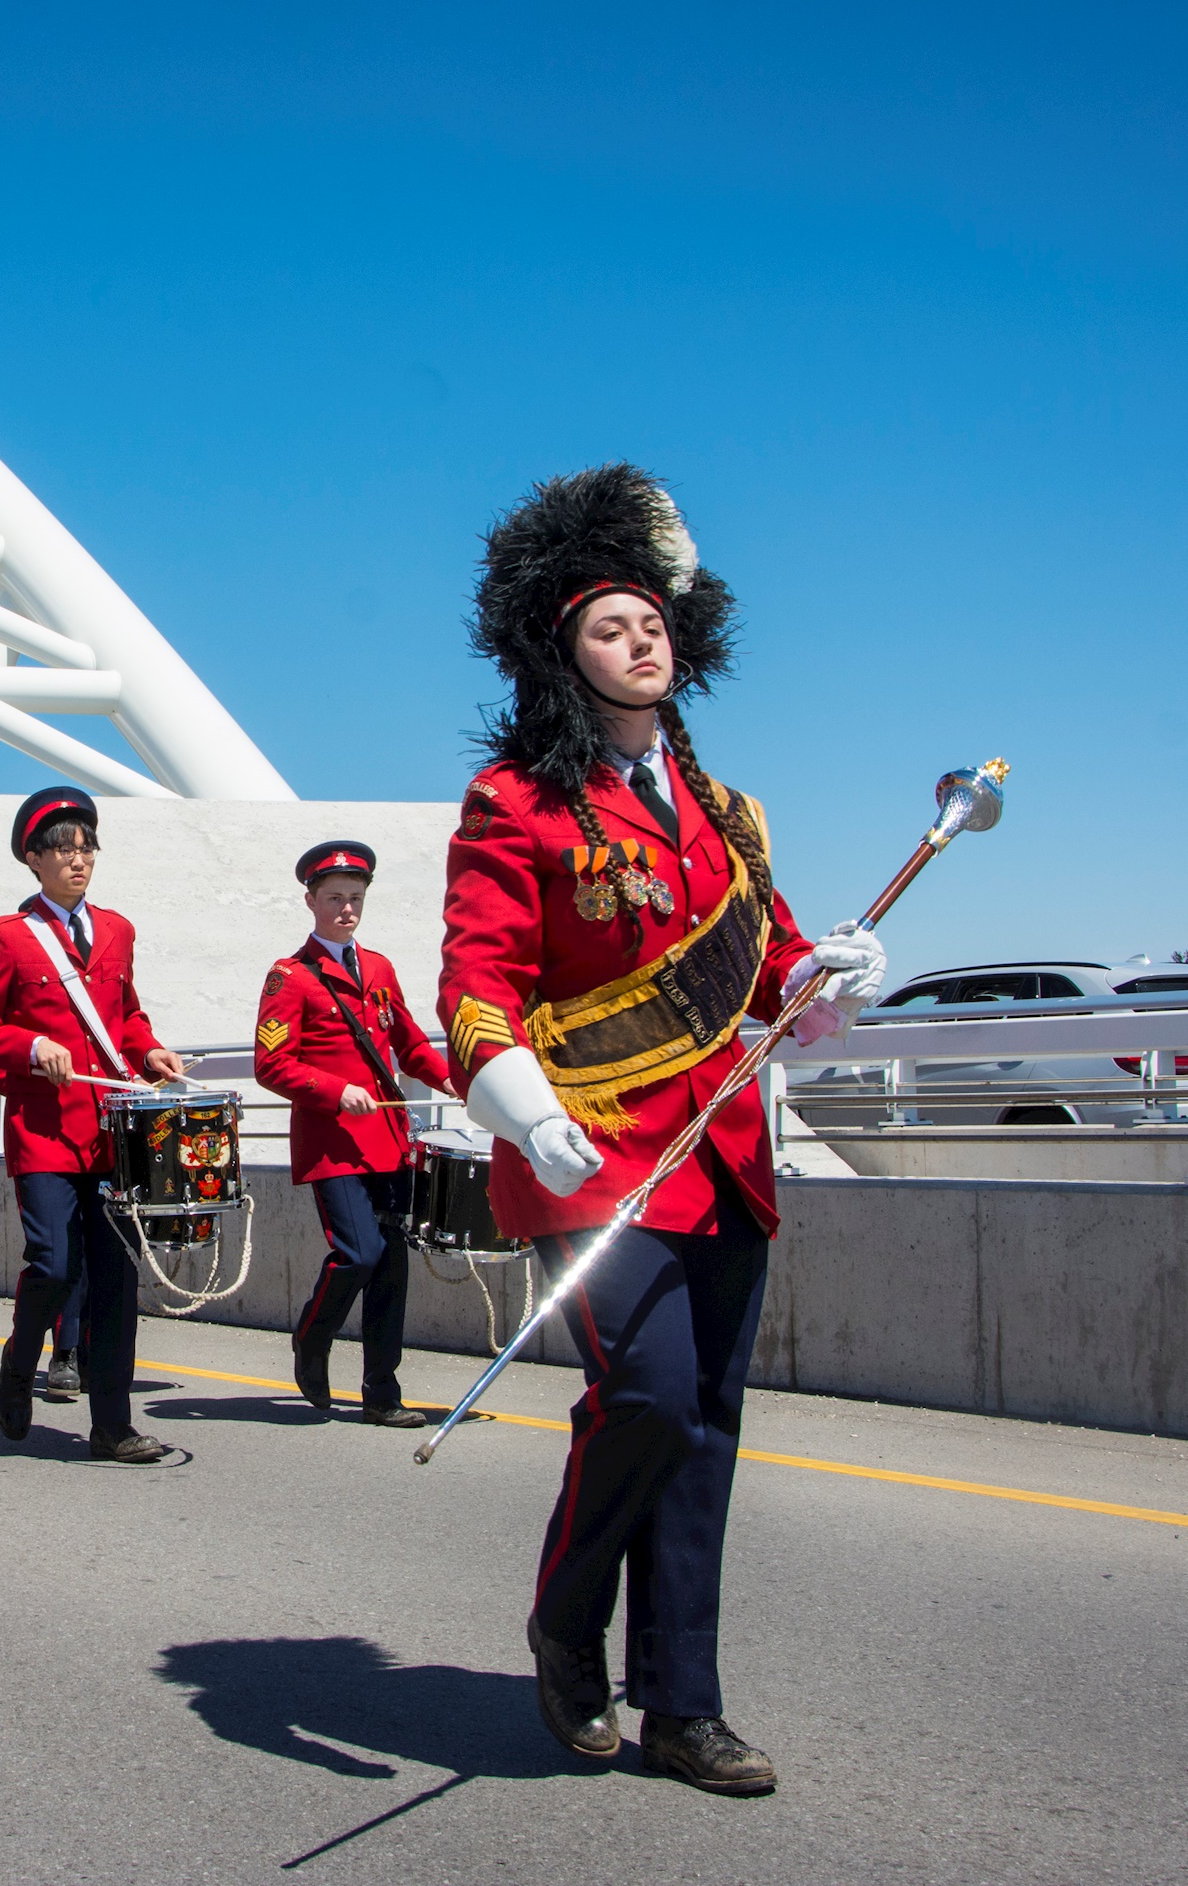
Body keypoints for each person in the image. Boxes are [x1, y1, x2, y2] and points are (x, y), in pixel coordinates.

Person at [436, 464, 887, 1791]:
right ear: (562, 657)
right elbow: (475, 981)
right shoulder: (514, 803)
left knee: (707, 1423)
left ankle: (682, 1702)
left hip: (725, 1160)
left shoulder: (732, 818)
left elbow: (774, 981)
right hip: (594, 1156)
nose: (642, 641)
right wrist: (519, 1102)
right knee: (643, 1396)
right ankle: (568, 1627)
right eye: (608, 627)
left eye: (652, 621)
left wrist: (830, 981)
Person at [0, 786, 186, 1464]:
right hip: (46, 1130)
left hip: (111, 1134)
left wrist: (149, 1049)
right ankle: (20, 1363)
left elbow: (126, 1015)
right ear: (33, 858)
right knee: (54, 1264)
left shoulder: (117, 930)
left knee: (116, 1274)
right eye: (62, 849)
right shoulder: (7, 936)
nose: (78, 860)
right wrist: (29, 1047)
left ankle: (113, 1423)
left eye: (86, 848)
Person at [254, 839, 456, 1427]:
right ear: (311, 900)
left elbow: (410, 1043)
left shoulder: (381, 968)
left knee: (392, 1265)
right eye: (335, 898)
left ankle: (382, 1393)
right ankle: (312, 1337)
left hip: (387, 1141)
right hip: (332, 1143)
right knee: (359, 1253)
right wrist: (332, 1089)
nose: (347, 909)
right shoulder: (289, 977)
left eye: (356, 898)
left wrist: (453, 1081)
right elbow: (272, 1064)